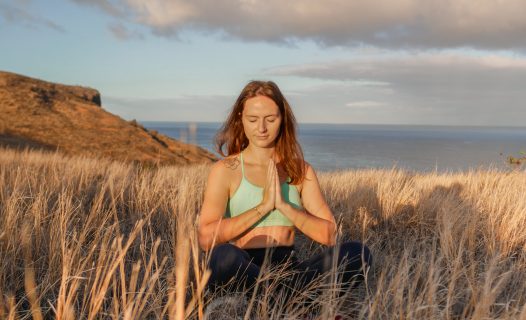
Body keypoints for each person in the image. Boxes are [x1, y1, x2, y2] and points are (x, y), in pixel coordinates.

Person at [197, 80, 372, 305]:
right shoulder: (225, 170)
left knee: (358, 253)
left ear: (282, 119)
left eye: (270, 119)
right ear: (241, 117)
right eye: (253, 119)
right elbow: (205, 238)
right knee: (222, 257)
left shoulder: (300, 170)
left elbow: (329, 235)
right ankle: (290, 302)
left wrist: (284, 206)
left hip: (289, 272)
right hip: (243, 268)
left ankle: (274, 300)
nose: (261, 128)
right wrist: (263, 207)